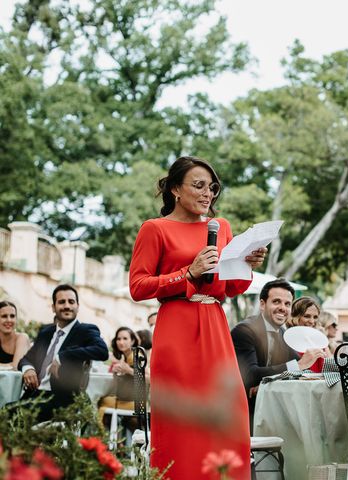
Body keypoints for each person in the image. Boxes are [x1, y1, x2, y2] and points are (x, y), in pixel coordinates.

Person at [129, 155, 266, 479]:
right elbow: (138, 286)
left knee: (230, 413)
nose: (208, 194)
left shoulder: (222, 228)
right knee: (181, 420)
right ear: (176, 189)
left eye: (212, 187)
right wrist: (186, 273)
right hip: (176, 326)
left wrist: (248, 263)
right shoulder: (155, 229)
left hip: (215, 325)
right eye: (199, 185)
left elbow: (232, 286)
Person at [231, 279, 327, 419]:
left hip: (268, 405)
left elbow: (300, 367)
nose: (283, 308)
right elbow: (250, 374)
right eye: (277, 301)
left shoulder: (281, 332)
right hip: (242, 410)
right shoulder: (245, 330)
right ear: (262, 304)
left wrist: (267, 385)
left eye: (287, 304)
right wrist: (298, 365)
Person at [17, 284, 109, 422]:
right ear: (53, 307)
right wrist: (28, 369)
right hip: (34, 394)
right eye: (61, 302)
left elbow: (102, 351)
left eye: (71, 302)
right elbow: (25, 359)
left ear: (77, 306)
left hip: (61, 400)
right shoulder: (46, 333)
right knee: (6, 410)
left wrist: (62, 356)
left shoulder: (85, 330)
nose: (67, 306)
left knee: (11, 415)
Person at [97, 327, 142, 427]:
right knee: (102, 400)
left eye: (125, 339)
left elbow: (148, 377)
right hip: (125, 399)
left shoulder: (136, 355)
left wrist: (128, 370)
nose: (121, 342)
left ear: (133, 341)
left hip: (133, 402)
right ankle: (114, 440)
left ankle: (107, 439)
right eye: (118, 339)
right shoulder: (125, 356)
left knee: (101, 402)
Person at [287, 296, 324, 372]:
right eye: (307, 316)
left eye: (315, 317)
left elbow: (324, 369)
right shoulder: (286, 341)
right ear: (295, 317)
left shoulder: (317, 342)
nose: (312, 321)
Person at [0, 300, 30, 370]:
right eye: (4, 316)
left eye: (12, 316)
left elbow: (16, 367)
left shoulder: (22, 338)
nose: (9, 320)